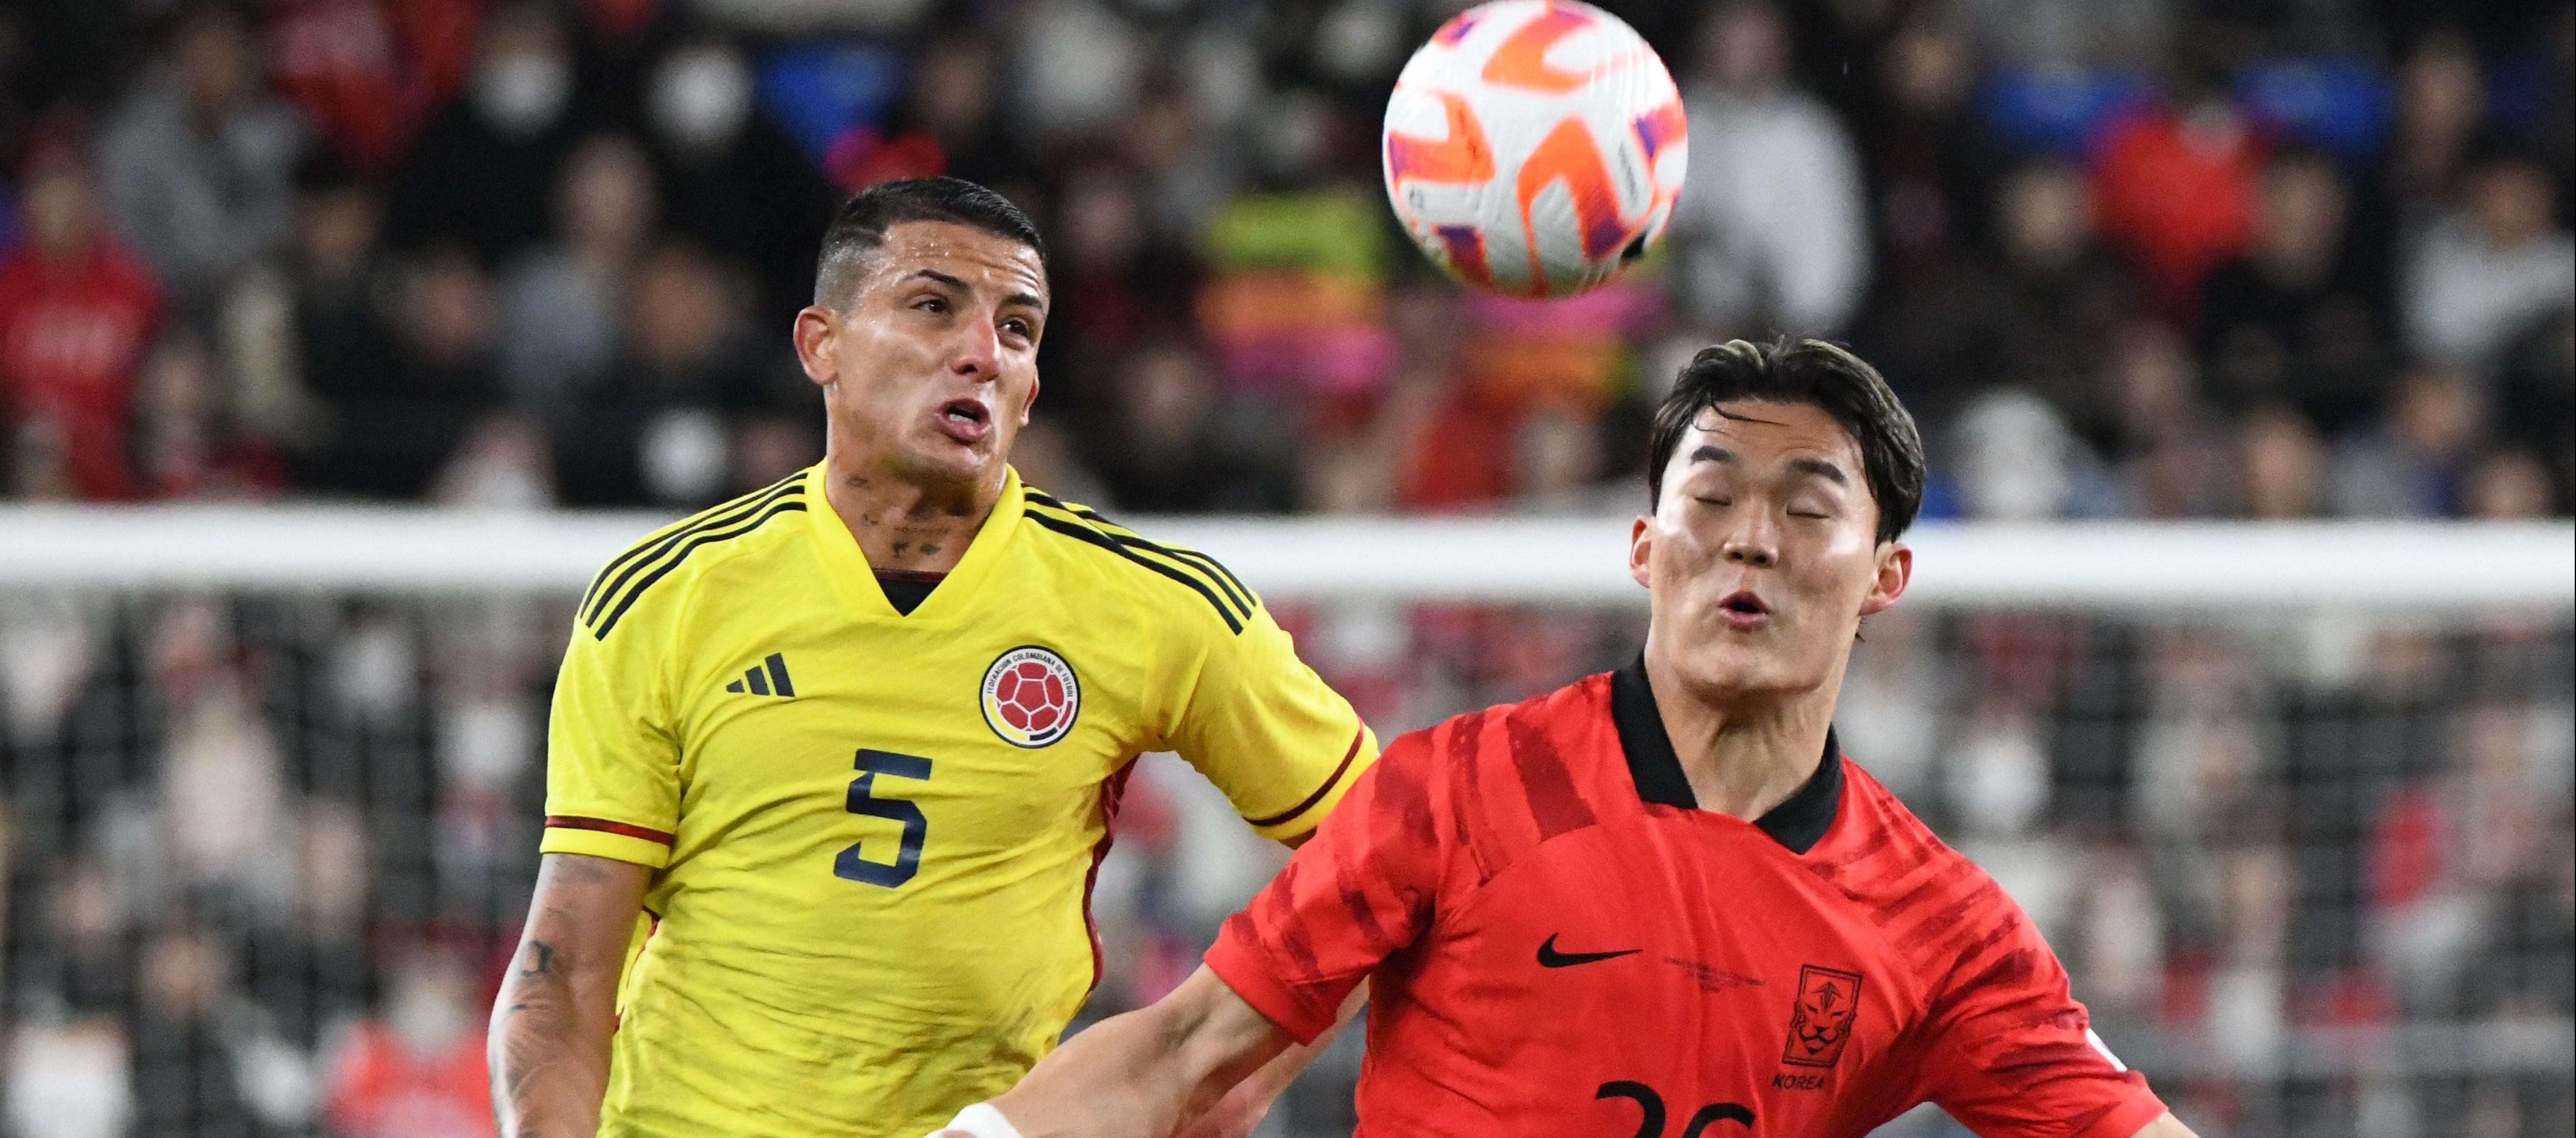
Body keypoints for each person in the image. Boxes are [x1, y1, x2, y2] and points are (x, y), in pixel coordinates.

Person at [931, 339, 2199, 1138]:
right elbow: (1186, 1047)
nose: (1747, 538)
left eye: (1806, 509)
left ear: (1886, 574)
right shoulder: (1454, 791)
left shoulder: (1941, 925)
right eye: (1708, 499)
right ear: (1645, 548)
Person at [487, 177, 1379, 1138]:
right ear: (820, 345)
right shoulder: (668, 599)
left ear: (1033, 387)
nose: (981, 354)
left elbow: (1395, 857)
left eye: (1019, 329)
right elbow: (567, 969)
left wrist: (1225, 1075)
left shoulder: (1157, 610)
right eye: (932, 306)